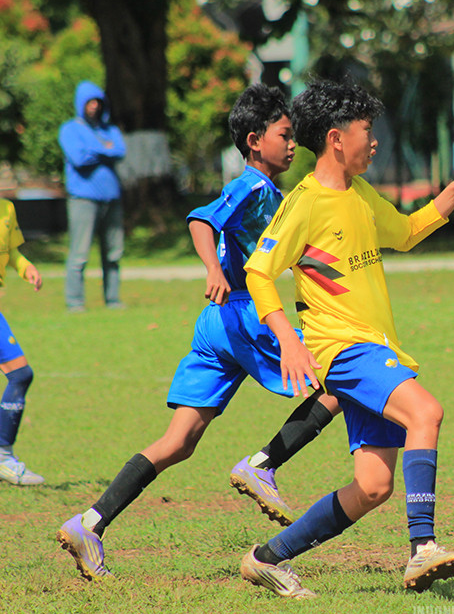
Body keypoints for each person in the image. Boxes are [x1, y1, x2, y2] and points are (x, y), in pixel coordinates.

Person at [57, 83, 342, 581]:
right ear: (255, 141)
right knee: (338, 381)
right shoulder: (252, 186)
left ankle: (90, 523)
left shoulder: (273, 194)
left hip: (216, 324)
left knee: (180, 440)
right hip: (243, 313)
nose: (292, 144)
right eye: (284, 134)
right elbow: (200, 220)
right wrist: (213, 268)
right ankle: (263, 464)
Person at [237, 79, 454, 598]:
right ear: (337, 138)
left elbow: (403, 233)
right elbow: (259, 272)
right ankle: (423, 547)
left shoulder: (358, 193)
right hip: (343, 348)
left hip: (372, 346)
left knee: (373, 486)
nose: (375, 140)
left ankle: (266, 559)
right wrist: (288, 339)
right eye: (367, 130)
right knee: (425, 413)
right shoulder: (305, 203)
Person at [58, 81, 127, 312]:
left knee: (113, 253)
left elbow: (120, 150)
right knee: (80, 253)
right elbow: (78, 159)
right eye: (89, 102)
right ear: (81, 103)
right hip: (83, 199)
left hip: (112, 198)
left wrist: (95, 149)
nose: (94, 106)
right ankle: (75, 301)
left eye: (98, 102)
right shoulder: (70, 129)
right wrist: (104, 149)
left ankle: (113, 299)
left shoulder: (110, 130)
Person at [0, 200, 44, 485]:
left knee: (20, 374)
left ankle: (3, 457)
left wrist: (25, 266)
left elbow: (10, 252)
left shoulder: (6, 208)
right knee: (20, 374)